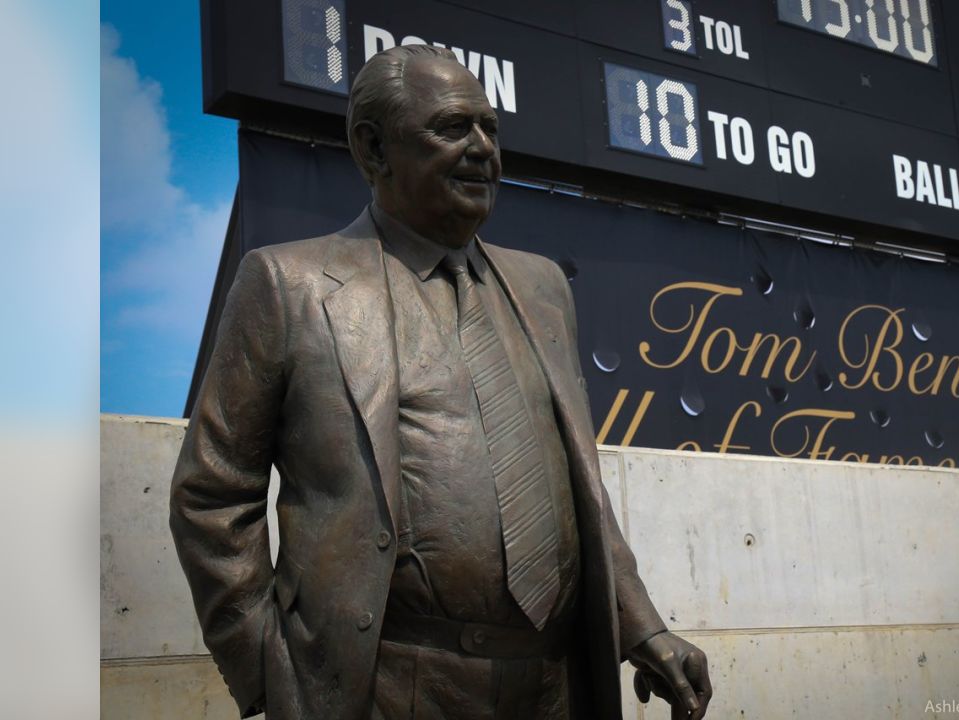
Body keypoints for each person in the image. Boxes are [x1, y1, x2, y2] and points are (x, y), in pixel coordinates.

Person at [170, 44, 711, 720]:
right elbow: (213, 496)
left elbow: (579, 492)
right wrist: (267, 671)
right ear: (374, 148)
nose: (483, 148)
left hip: (555, 685)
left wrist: (642, 626)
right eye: (453, 128)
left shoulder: (542, 288)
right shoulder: (290, 286)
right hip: (391, 686)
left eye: (490, 128)